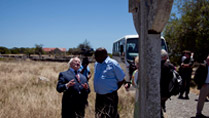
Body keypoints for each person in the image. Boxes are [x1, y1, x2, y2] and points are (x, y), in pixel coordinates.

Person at [94, 47, 125, 118]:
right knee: (99, 115)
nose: (95, 58)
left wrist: (113, 90)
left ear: (104, 55)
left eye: (96, 56)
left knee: (111, 115)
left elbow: (121, 79)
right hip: (99, 96)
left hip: (110, 96)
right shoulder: (97, 64)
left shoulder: (113, 63)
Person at [160, 49, 175, 118]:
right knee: (161, 104)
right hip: (167, 90)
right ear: (166, 57)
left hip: (159, 90)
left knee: (158, 106)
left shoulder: (157, 66)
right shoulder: (170, 66)